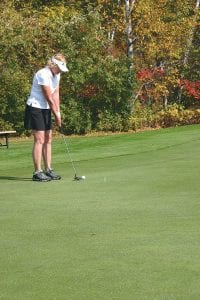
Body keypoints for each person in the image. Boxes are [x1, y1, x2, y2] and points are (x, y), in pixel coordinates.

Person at [24, 53, 69, 182]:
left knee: (48, 138)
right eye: (59, 67)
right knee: (40, 139)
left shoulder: (57, 74)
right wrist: (56, 114)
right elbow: (48, 97)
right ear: (53, 65)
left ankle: (48, 169)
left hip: (46, 108)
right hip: (35, 107)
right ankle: (37, 172)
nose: (60, 70)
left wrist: (58, 113)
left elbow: (56, 94)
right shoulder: (43, 74)